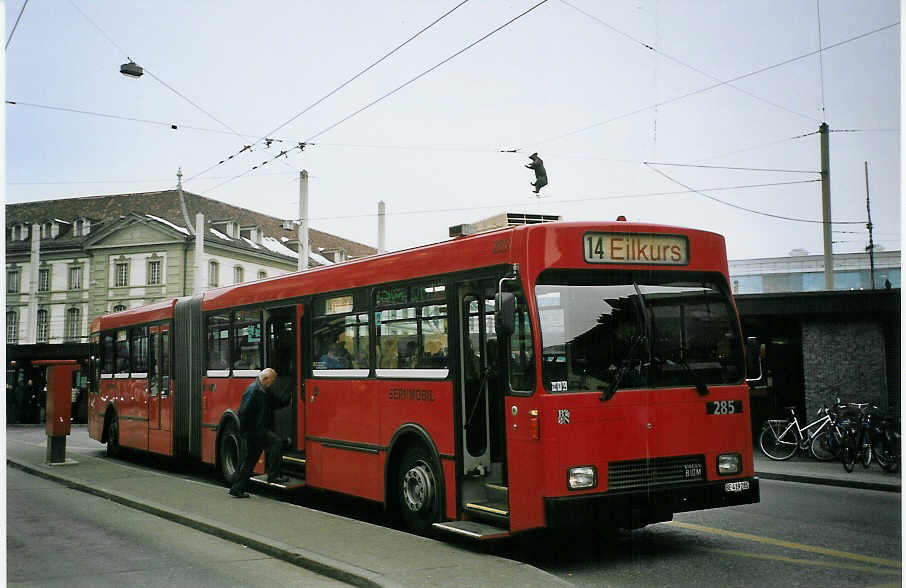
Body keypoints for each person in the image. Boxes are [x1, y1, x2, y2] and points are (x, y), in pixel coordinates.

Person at [229, 368, 291, 498]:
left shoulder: (264, 390)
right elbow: (243, 413)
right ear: (266, 379)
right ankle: (273, 476)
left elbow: (276, 403)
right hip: (255, 431)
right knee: (277, 443)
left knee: (251, 460)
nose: (273, 383)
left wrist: (288, 396)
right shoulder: (253, 391)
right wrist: (246, 433)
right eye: (272, 380)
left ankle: (237, 488)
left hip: (258, 430)